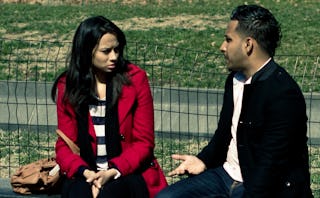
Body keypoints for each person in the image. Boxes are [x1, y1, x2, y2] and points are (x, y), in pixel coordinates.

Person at [156, 4, 313, 198]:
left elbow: (270, 167)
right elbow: (224, 135)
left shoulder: (283, 93)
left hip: (262, 187)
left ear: (248, 44)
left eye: (228, 40)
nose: (222, 47)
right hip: (225, 176)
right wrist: (203, 161)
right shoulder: (234, 80)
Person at [51, 16, 167, 198]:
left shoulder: (136, 80)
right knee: (79, 193)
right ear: (87, 52)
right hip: (85, 173)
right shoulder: (68, 85)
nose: (114, 56)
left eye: (117, 49)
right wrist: (87, 174)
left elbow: (144, 143)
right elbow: (64, 145)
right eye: (106, 51)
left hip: (126, 171)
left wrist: (111, 172)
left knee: (112, 193)